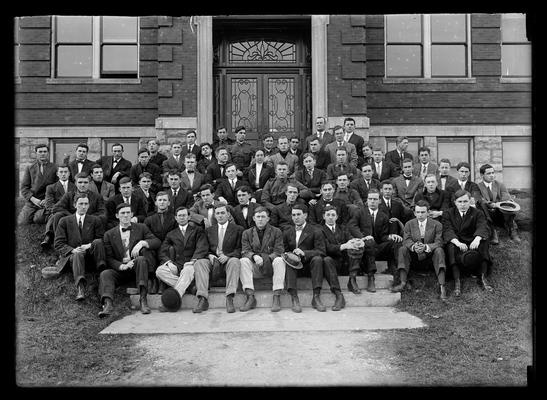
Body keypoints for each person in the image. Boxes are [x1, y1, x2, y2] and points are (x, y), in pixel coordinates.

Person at [98, 203, 161, 317]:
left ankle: (143, 300)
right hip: (121, 269)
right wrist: (122, 266)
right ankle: (108, 304)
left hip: (137, 267)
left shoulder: (141, 228)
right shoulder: (109, 234)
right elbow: (109, 258)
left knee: (141, 259)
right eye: (123, 213)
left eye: (128, 213)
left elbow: (156, 241)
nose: (126, 215)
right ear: (117, 216)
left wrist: (143, 243)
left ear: (132, 214)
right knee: (105, 274)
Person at [347, 189, 403, 293]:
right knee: (370, 241)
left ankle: (399, 276)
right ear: (367, 200)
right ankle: (371, 276)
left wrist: (390, 236)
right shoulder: (360, 212)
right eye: (370, 199)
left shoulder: (383, 216)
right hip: (363, 247)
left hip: (377, 247)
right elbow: (352, 226)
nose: (372, 201)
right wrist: (363, 237)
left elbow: (382, 236)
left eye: (375, 199)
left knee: (395, 243)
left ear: (379, 201)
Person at [155, 206, 209, 311]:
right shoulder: (171, 234)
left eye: (184, 215)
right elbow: (162, 251)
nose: (182, 217)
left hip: (192, 263)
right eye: (179, 216)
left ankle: (173, 301)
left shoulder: (197, 230)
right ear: (176, 218)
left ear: (189, 217)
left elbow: (202, 247)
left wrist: (193, 261)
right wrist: (169, 262)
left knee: (188, 270)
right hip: (177, 264)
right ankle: (189, 287)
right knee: (160, 271)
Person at [53, 192, 106, 301]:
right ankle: (80, 288)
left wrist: (89, 245)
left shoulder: (95, 220)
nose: (83, 206)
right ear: (74, 205)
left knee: (98, 242)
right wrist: (72, 250)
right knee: (77, 255)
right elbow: (58, 243)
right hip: (73, 258)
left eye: (86, 204)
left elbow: (101, 239)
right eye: (81, 203)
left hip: (91, 256)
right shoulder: (65, 221)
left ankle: (101, 272)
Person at [393, 200, 448, 301]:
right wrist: (414, 246)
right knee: (402, 249)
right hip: (414, 255)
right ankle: (403, 282)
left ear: (428, 212)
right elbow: (406, 240)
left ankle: (442, 286)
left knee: (439, 250)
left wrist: (426, 247)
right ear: (414, 213)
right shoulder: (409, 224)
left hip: (430, 255)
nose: (420, 215)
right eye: (418, 212)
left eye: (423, 212)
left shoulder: (437, 224)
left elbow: (439, 242)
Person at [193, 204, 244, 313]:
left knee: (235, 261)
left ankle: (229, 297)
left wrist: (228, 256)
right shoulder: (209, 230)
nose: (220, 216)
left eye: (222, 213)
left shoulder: (238, 229)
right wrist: (209, 255)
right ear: (215, 216)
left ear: (228, 214)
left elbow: (240, 249)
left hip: (228, 261)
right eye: (218, 213)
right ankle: (202, 298)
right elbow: (203, 248)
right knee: (200, 263)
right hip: (213, 261)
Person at [442, 189, 493, 296]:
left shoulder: (477, 213)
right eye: (460, 202)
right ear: (455, 202)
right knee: (450, 246)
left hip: (473, 238)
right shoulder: (448, 213)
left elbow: (482, 226)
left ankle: (483, 277)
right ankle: (457, 281)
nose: (463, 204)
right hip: (457, 240)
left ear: (470, 201)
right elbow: (447, 230)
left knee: (484, 241)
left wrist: (477, 239)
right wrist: (458, 243)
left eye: (465, 201)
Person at [239, 206, 286, 312]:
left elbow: (279, 250)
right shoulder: (247, 233)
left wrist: (265, 259)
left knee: (280, 260)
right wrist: (254, 256)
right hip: (255, 266)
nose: (260, 219)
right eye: (258, 216)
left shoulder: (276, 231)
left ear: (268, 219)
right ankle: (250, 296)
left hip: (271, 265)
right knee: (243, 261)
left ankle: (277, 296)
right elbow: (244, 251)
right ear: (254, 218)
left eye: (263, 217)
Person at [282, 204, 327, 313]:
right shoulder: (287, 232)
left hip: (309, 266)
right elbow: (284, 250)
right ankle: (294, 298)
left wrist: (304, 253)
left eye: (298, 214)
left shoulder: (316, 230)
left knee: (318, 259)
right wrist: (290, 255)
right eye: (293, 215)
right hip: (293, 267)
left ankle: (316, 297)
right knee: (287, 260)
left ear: (305, 215)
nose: (296, 217)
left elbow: (321, 251)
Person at [50, 173, 107, 245]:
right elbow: (56, 208)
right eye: (80, 182)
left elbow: (102, 212)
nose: (83, 185)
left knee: (102, 218)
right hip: (71, 221)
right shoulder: (69, 195)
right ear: (75, 183)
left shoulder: (97, 197)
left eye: (85, 182)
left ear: (89, 183)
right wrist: (73, 216)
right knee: (57, 215)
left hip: (89, 222)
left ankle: (93, 244)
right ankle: (59, 243)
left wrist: (87, 217)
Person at [318, 206, 354, 310]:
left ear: (337, 217)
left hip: (344, 262)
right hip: (329, 264)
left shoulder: (343, 228)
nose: (330, 217)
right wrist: (343, 246)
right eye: (328, 215)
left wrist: (355, 241)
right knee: (327, 259)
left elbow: (350, 239)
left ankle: (353, 280)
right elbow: (326, 248)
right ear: (324, 216)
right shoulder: (319, 230)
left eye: (333, 215)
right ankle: (339, 295)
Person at [476, 163, 521, 244]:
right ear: (482, 175)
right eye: (489, 173)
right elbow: (479, 199)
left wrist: (497, 205)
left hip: (500, 211)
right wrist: (489, 204)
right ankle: (493, 232)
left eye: (493, 173)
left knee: (509, 203)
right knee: (482, 204)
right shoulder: (477, 186)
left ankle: (512, 230)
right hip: (486, 211)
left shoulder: (499, 184)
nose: (492, 175)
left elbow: (506, 197)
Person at [143, 191, 178, 294]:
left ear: (169, 203)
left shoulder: (174, 219)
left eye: (164, 200)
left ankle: (163, 282)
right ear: (156, 203)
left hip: (168, 246)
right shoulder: (149, 219)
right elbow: (147, 235)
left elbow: (175, 235)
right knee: (146, 251)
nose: (162, 202)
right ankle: (153, 280)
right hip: (154, 246)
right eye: (160, 200)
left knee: (170, 250)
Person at [18, 144, 58, 225]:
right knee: (22, 222)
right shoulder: (30, 168)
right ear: (36, 153)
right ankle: (33, 214)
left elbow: (57, 186)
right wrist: (33, 199)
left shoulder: (55, 167)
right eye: (40, 152)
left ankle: (41, 215)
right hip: (33, 201)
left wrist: (47, 199)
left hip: (47, 200)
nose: (42, 154)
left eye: (45, 151)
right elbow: (24, 188)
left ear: (48, 153)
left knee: (39, 219)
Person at [40, 165, 76, 249]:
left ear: (69, 174)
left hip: (70, 211)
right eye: (61, 172)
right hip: (55, 211)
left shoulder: (74, 187)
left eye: (65, 172)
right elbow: (49, 204)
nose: (63, 174)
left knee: (57, 215)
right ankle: (53, 238)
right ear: (57, 174)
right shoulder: (51, 187)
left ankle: (50, 236)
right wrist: (59, 210)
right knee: (55, 215)